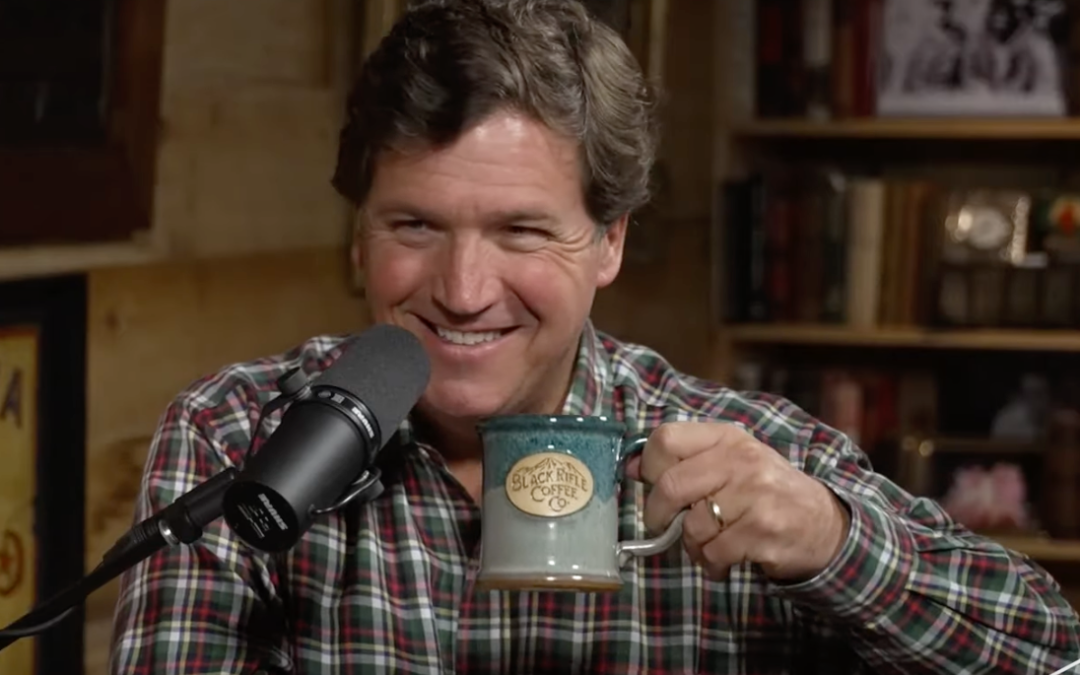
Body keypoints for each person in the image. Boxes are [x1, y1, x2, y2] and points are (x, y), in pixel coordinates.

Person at [109, 0, 1080, 673]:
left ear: (610, 241)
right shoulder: (237, 435)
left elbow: (1050, 649)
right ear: (360, 233)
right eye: (415, 226)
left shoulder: (752, 457)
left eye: (522, 231)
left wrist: (834, 544)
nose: (463, 291)